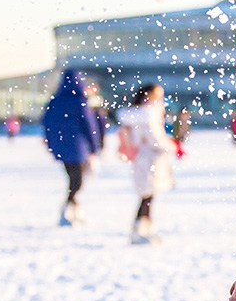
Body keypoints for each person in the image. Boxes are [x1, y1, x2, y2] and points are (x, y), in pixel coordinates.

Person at [42, 69, 103, 226]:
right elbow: (90, 127)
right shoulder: (80, 102)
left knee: (73, 178)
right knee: (77, 181)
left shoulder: (54, 102)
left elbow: (47, 125)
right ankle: (68, 209)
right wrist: (95, 147)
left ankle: (74, 210)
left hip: (61, 146)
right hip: (79, 147)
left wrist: (51, 144)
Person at [117, 83, 175, 244]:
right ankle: (140, 230)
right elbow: (155, 139)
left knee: (146, 195)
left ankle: (143, 228)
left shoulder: (134, 115)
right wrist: (172, 146)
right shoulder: (149, 115)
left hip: (140, 158)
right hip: (151, 158)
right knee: (147, 195)